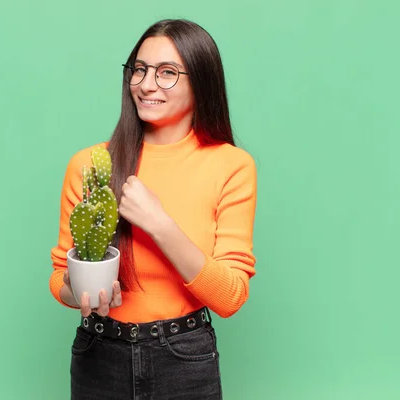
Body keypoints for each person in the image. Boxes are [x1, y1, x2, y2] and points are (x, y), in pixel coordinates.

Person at [50, 18, 257, 399]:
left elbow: (230, 297)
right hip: (99, 352)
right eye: (140, 70)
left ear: (201, 81)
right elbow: (61, 275)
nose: (146, 85)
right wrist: (80, 291)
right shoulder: (90, 164)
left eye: (167, 73)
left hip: (184, 356)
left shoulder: (231, 166)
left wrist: (158, 222)